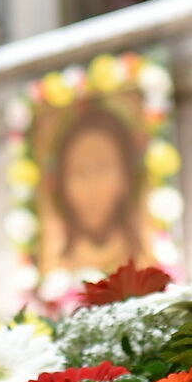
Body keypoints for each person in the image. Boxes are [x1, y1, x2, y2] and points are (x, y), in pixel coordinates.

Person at [44, 106, 144, 275]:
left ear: (125, 178)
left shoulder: (144, 255)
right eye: (79, 171)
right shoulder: (57, 272)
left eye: (102, 169)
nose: (91, 186)